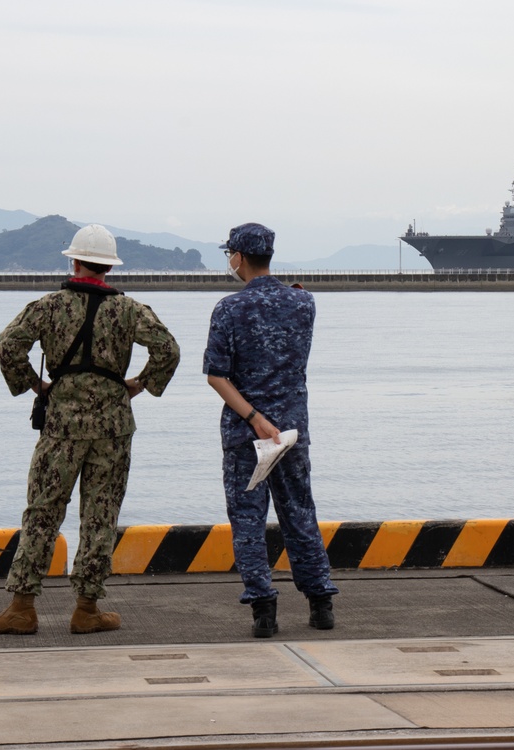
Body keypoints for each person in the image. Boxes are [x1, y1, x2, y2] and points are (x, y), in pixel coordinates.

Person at [0, 224, 180, 635]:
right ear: (109, 267)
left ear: (74, 260)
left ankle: (21, 607)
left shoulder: (48, 306)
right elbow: (168, 350)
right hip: (113, 426)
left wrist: (35, 384)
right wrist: (138, 385)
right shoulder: (130, 310)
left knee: (42, 512)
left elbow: (7, 346)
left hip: (62, 427)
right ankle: (86, 609)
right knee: (100, 515)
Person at [202, 222, 338, 638]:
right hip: (294, 431)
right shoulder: (304, 303)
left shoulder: (228, 309)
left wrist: (253, 417)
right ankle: (320, 604)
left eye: (230, 254)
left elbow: (217, 376)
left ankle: (264, 610)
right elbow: (295, 302)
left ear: (238, 257)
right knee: (300, 512)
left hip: (248, 434)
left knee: (247, 519)